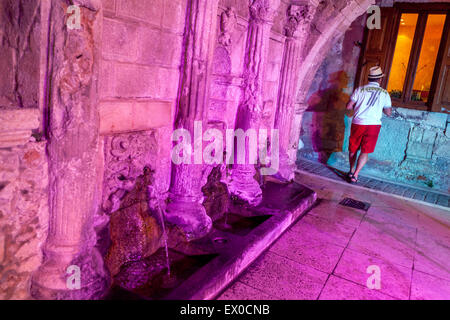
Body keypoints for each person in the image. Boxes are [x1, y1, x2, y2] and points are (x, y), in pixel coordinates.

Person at [345, 66, 392, 184]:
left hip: (358, 123)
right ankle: (355, 175)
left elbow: (348, 106)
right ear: (380, 79)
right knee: (365, 151)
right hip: (373, 125)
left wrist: (358, 109)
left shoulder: (359, 89)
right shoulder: (384, 93)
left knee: (353, 148)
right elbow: (388, 112)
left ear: (369, 78)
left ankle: (350, 170)